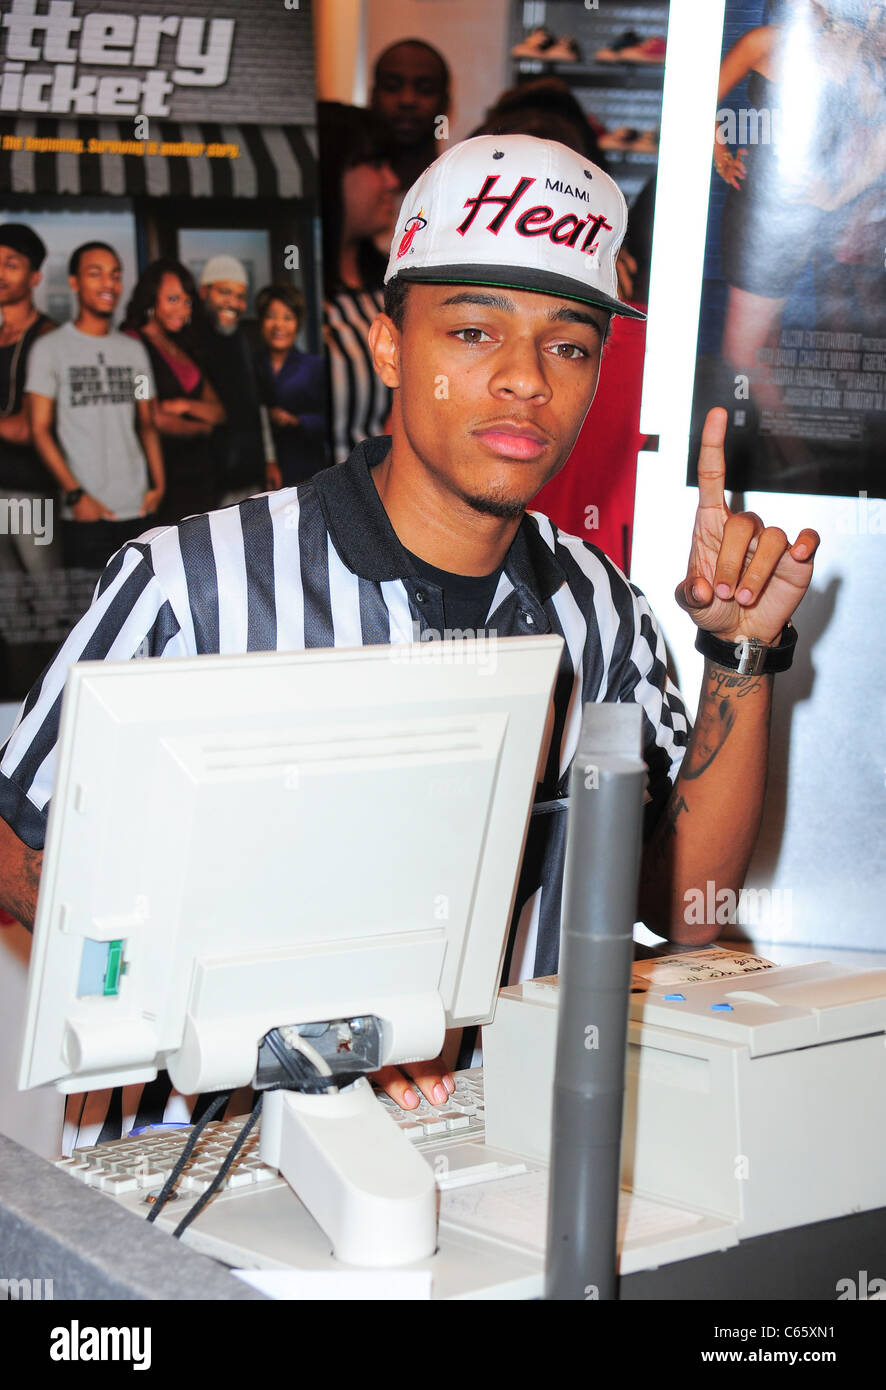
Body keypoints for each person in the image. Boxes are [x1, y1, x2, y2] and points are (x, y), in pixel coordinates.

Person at [0, 136, 819, 1143]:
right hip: (200, 1167)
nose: (525, 379)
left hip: (496, 1149)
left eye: (568, 344)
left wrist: (740, 654)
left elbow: (684, 908)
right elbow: (15, 846)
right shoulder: (194, 584)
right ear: (391, 348)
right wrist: (287, 1011)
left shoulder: (598, 606)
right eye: (474, 331)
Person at [25, 242, 164, 574]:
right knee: (88, 613)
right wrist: (75, 496)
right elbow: (39, 429)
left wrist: (158, 485)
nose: (108, 284)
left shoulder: (133, 352)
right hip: (86, 513)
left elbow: (146, 421)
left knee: (139, 614)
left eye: (115, 275)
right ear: (74, 282)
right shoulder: (49, 349)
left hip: (139, 509)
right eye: (95, 273)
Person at [318, 101, 399, 464]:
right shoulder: (294, 302)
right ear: (331, 173)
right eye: (374, 164)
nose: (391, 180)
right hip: (307, 510)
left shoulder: (391, 284)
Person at [123, 259, 225, 526]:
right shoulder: (133, 344)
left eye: (186, 301)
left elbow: (219, 411)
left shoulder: (184, 346)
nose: (182, 308)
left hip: (201, 475)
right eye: (172, 299)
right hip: (163, 479)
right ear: (150, 299)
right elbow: (153, 418)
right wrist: (203, 429)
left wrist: (182, 405)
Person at [0, 224, 58, 575]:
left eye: (12, 263)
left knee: (47, 595)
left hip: (31, 492)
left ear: (35, 277)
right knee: (6, 604)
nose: (0, 272)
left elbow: (26, 429)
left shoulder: (48, 338)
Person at [197, 254, 271, 502]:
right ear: (203, 292)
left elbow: (258, 404)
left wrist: (269, 459)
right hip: (209, 482)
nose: (233, 303)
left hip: (250, 475)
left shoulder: (244, 340)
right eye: (224, 292)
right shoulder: (190, 343)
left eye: (240, 296)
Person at [254, 284, 327, 489]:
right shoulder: (251, 364)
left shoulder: (314, 366)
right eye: (271, 316)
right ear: (261, 321)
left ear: (298, 323)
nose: (279, 325)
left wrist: (297, 421)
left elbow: (330, 419)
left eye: (287, 317)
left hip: (304, 471)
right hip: (258, 472)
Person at [370, 39, 451, 194]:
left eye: (425, 89)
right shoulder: (351, 201)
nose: (407, 100)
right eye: (392, 86)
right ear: (373, 97)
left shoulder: (460, 193)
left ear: (445, 103)